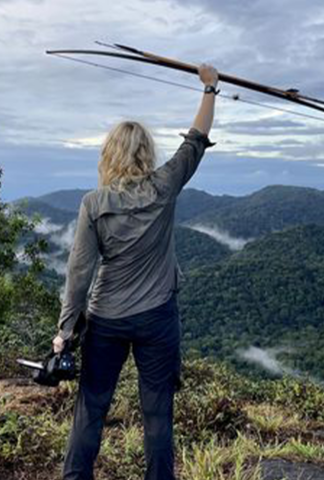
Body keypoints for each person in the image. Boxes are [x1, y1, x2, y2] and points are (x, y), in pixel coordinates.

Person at [54, 62, 219, 480]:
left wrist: (66, 331)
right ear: (146, 152)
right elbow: (195, 141)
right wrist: (210, 89)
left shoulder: (94, 203)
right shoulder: (164, 187)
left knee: (91, 408)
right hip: (157, 318)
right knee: (158, 413)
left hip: (106, 318)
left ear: (109, 154)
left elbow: (79, 274)